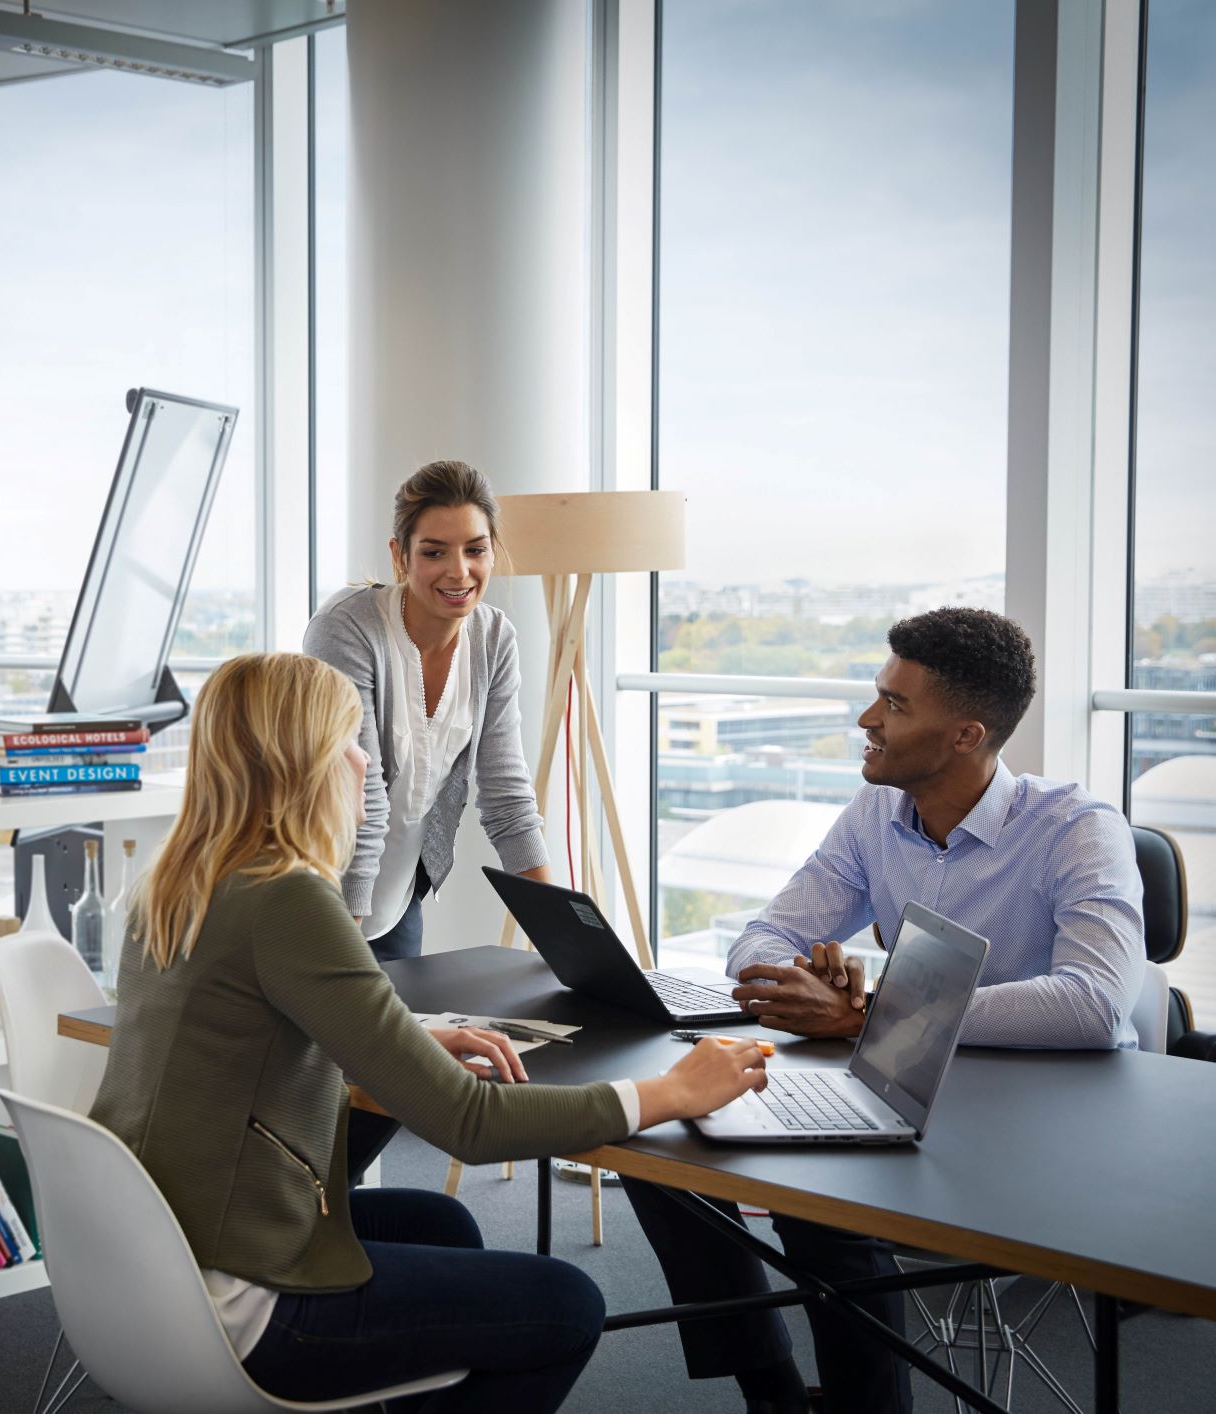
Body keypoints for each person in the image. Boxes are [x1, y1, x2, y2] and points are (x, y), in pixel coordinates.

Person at [89, 652, 771, 1413]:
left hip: (152, 1252)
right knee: (568, 1305)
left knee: (439, 1221)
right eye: (350, 742)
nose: (362, 764)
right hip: (242, 1299)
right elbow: (468, 1123)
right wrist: (670, 1091)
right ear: (304, 763)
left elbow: (248, 1030)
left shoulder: (182, 879)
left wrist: (404, 1039)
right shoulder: (288, 900)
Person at [622, 607, 1145, 1414]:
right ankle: (772, 1389)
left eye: (895, 705)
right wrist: (802, 983)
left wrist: (872, 1016)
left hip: (1032, 1132)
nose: (868, 719)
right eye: (878, 694)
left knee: (825, 1209)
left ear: (967, 735)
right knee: (658, 1141)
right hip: (892, 1089)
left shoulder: (1078, 830)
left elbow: (1095, 1005)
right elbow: (761, 936)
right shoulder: (877, 812)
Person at [304, 460, 547, 1178]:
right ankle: (292, 1232)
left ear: (494, 551)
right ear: (398, 556)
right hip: (329, 886)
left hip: (403, 889)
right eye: (434, 551)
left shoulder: (494, 638)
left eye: (475, 549)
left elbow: (505, 790)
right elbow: (364, 796)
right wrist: (339, 949)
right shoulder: (345, 630)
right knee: (331, 1082)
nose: (458, 570)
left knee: (391, 1092)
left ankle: (325, 1224)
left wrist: (565, 932)